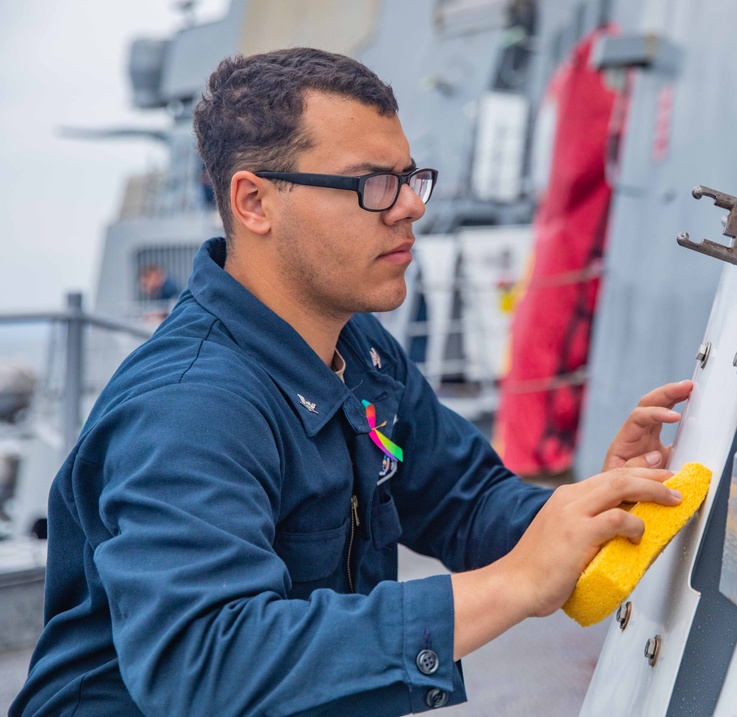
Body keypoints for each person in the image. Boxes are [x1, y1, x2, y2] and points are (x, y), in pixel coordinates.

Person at [12, 48, 693, 716]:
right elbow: (208, 664)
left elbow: (464, 499)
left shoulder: (359, 351)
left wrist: (589, 512)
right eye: (371, 185)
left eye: (409, 178)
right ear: (254, 201)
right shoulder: (189, 407)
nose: (409, 208)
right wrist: (515, 583)